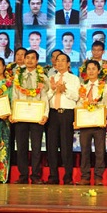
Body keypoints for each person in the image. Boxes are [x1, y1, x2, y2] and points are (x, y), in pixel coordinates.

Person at [11, 50, 49, 184]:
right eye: (27, 58)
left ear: (37, 61)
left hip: (36, 116)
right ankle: (23, 175)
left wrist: (45, 114)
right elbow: (14, 96)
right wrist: (13, 113)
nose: (29, 60)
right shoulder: (18, 76)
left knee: (36, 147)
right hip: (21, 116)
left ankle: (36, 176)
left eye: (33, 58)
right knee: (21, 147)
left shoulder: (42, 77)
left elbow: (45, 97)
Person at [46, 54, 80, 185]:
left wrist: (64, 90)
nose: (59, 63)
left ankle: (68, 177)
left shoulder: (73, 78)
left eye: (63, 61)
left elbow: (76, 96)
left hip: (67, 113)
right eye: (57, 60)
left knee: (66, 146)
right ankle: (53, 176)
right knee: (52, 146)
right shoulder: (51, 78)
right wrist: (53, 90)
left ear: (68, 64)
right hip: (53, 113)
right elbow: (46, 97)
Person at [76, 60, 107, 186]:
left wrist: (104, 118)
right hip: (85, 123)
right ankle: (85, 177)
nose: (90, 71)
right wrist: (77, 119)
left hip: (99, 123)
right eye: (88, 69)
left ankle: (98, 177)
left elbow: (106, 104)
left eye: (93, 69)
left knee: (100, 151)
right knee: (85, 150)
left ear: (99, 71)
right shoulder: (82, 87)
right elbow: (79, 104)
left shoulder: (105, 87)